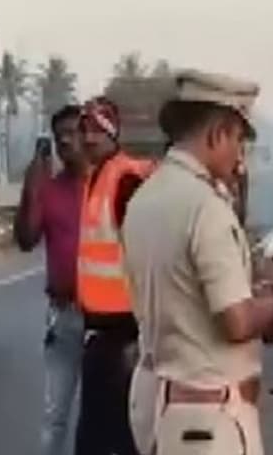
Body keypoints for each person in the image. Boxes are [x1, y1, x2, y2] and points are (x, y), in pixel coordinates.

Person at [122, 70, 273, 455]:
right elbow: (235, 320)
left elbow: (183, 298)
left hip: (158, 405)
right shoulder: (205, 208)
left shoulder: (143, 200)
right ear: (216, 134)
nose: (240, 155)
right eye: (238, 140)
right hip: (206, 422)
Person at [75, 96, 154, 455]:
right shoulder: (96, 177)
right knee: (97, 438)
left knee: (122, 439)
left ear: (112, 134)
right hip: (101, 334)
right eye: (85, 131)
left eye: (97, 131)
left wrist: (141, 337)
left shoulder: (124, 180)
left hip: (124, 336)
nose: (88, 138)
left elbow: (146, 257)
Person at [15, 105, 88, 455]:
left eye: (73, 133)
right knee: (54, 416)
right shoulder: (50, 189)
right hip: (65, 318)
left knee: (105, 414)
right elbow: (26, 238)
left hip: (106, 322)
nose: (66, 141)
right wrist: (32, 186)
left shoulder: (108, 186)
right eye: (60, 137)